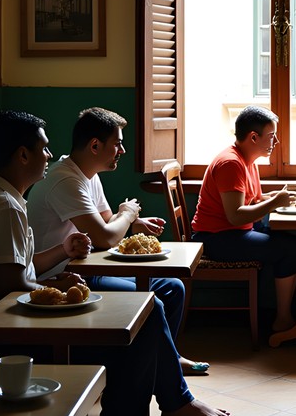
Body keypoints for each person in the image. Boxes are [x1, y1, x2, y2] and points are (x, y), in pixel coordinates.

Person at [0, 111, 231, 416]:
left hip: (8, 323)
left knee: (150, 308)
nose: (50, 155)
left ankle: (171, 398)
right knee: (143, 321)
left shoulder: (1, 198)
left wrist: (60, 256)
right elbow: (11, 288)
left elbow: (21, 271)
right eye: (43, 148)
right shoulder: (2, 207)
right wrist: (58, 292)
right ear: (22, 155)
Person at [27, 106, 209, 375]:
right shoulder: (64, 180)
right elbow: (105, 238)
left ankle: (165, 360)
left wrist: (131, 221)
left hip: (87, 266)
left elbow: (106, 222)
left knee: (172, 287)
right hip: (64, 277)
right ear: (95, 145)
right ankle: (160, 368)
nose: (122, 151)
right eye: (117, 144)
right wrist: (127, 214)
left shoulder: (87, 174)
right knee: (154, 303)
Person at [191, 105, 296, 333]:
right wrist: (275, 203)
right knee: (290, 248)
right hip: (215, 239)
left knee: (294, 244)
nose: (276, 141)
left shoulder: (247, 160)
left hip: (232, 232)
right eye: (272, 136)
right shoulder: (231, 164)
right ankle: (285, 319)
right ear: (254, 137)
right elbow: (235, 216)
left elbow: (252, 200)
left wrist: (274, 197)